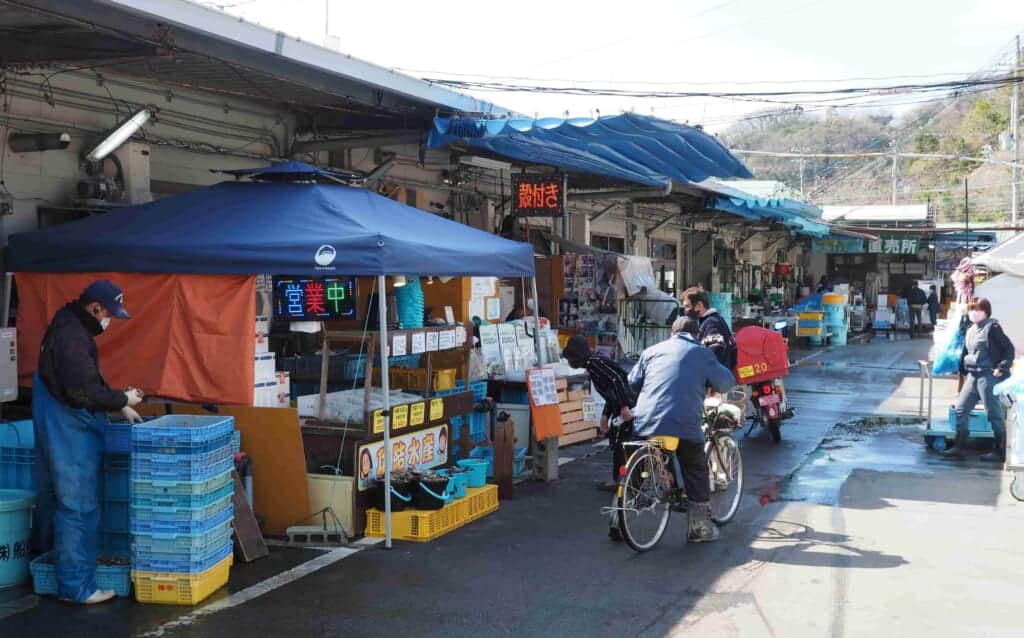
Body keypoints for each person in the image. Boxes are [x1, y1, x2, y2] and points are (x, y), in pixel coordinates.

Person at [32, 280, 142, 605]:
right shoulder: (71, 337)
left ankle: (70, 578)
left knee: (66, 502)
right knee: (77, 505)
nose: (108, 322)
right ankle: (78, 587)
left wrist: (117, 404)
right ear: (95, 308)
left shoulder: (69, 324)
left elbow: (85, 381)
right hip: (68, 427)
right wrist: (122, 398)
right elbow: (83, 390)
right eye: (109, 314)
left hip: (63, 421)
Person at [628, 317, 736, 543]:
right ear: (697, 335)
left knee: (638, 461)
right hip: (683, 423)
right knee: (695, 467)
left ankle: (620, 518)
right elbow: (725, 382)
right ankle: (699, 527)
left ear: (672, 333)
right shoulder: (702, 354)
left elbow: (633, 382)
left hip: (645, 421)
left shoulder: (651, 351)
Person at [942, 297, 1015, 461]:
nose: (974, 313)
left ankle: (999, 450)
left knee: (993, 413)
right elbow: (966, 352)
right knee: (961, 409)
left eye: (978, 310)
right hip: (972, 375)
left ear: (986, 312)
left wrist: (1002, 367)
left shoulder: (993, 328)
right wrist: (961, 369)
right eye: (971, 309)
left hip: (988, 375)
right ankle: (959, 446)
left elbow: (1008, 348)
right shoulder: (971, 329)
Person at [561, 336, 635, 494]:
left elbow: (616, 380)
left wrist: (624, 406)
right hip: (622, 405)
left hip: (628, 405)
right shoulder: (595, 363)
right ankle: (622, 480)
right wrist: (605, 415)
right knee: (618, 442)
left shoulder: (596, 364)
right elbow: (612, 389)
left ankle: (623, 481)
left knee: (621, 443)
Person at [681, 287, 737, 370]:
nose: (685, 311)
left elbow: (714, 353)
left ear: (699, 305)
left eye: (687, 306)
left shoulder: (711, 324)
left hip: (715, 379)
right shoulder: (712, 320)